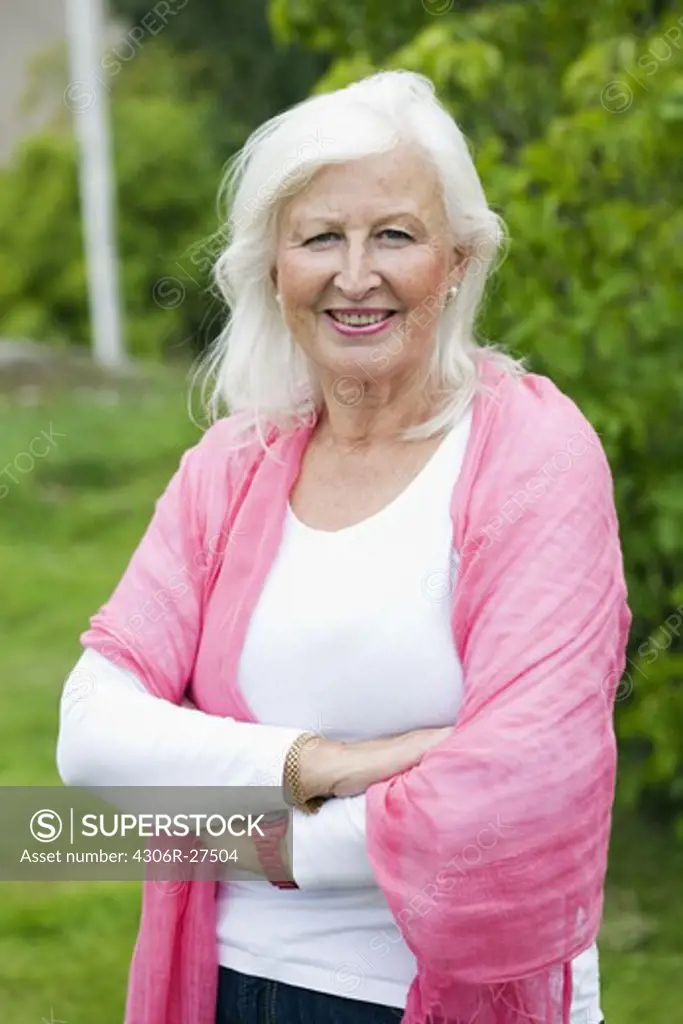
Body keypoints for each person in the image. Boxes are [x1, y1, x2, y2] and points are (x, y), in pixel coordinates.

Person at [56, 71, 629, 1024]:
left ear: (457, 258)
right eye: (320, 237)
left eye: (394, 236)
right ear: (274, 268)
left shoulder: (530, 452)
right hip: (228, 987)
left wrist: (230, 829)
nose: (354, 275)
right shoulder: (233, 465)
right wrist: (318, 764)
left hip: (431, 995)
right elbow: (89, 737)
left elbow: (520, 790)